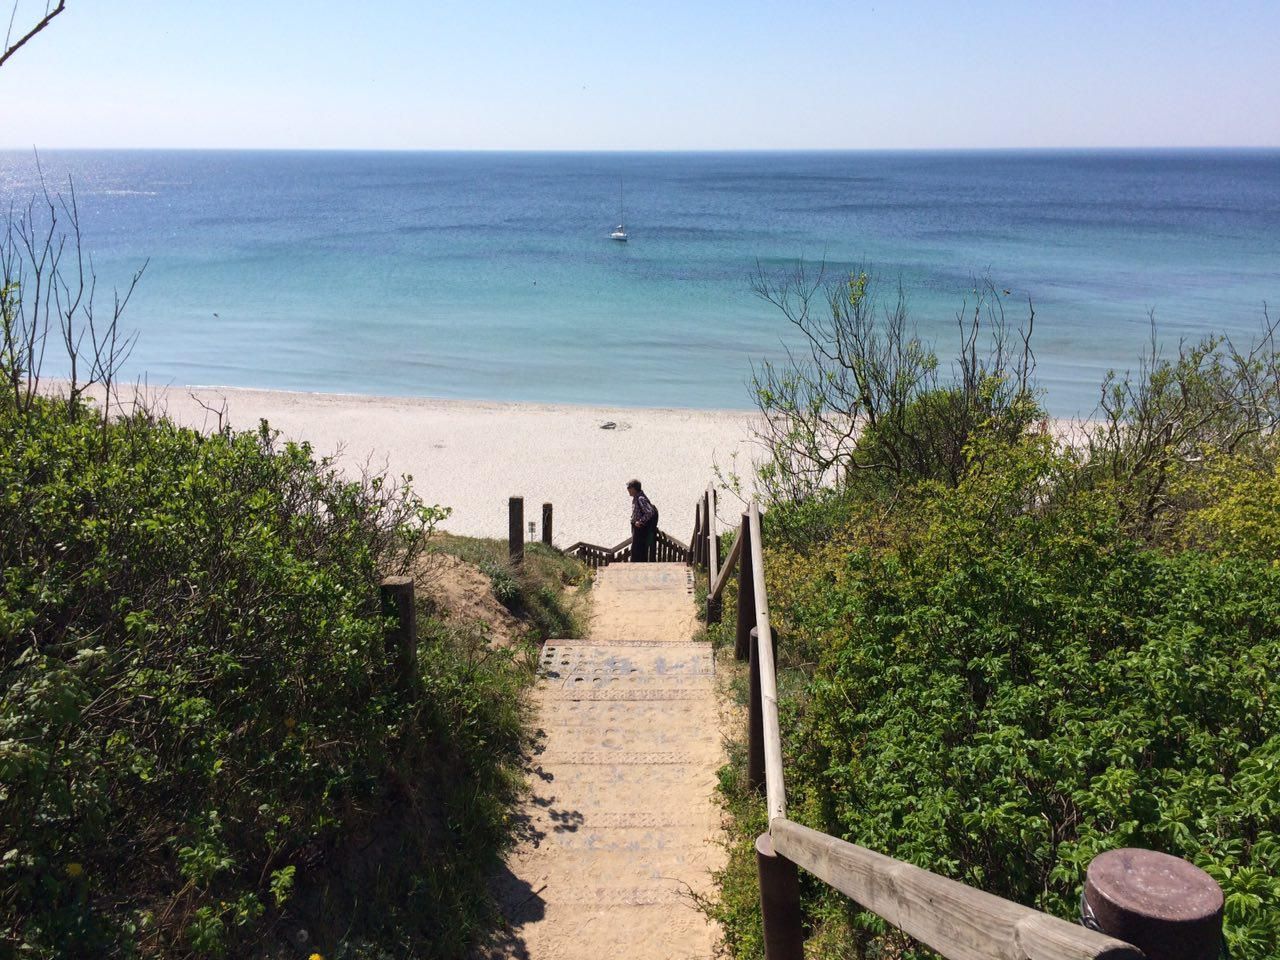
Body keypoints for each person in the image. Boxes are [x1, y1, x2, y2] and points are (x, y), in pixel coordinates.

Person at [627, 479, 659, 562]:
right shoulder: (637, 497)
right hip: (638, 529)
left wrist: (640, 521)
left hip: (640, 530)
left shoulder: (640, 498)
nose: (628, 490)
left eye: (629, 488)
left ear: (634, 489)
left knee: (637, 552)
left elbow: (649, 512)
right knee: (637, 551)